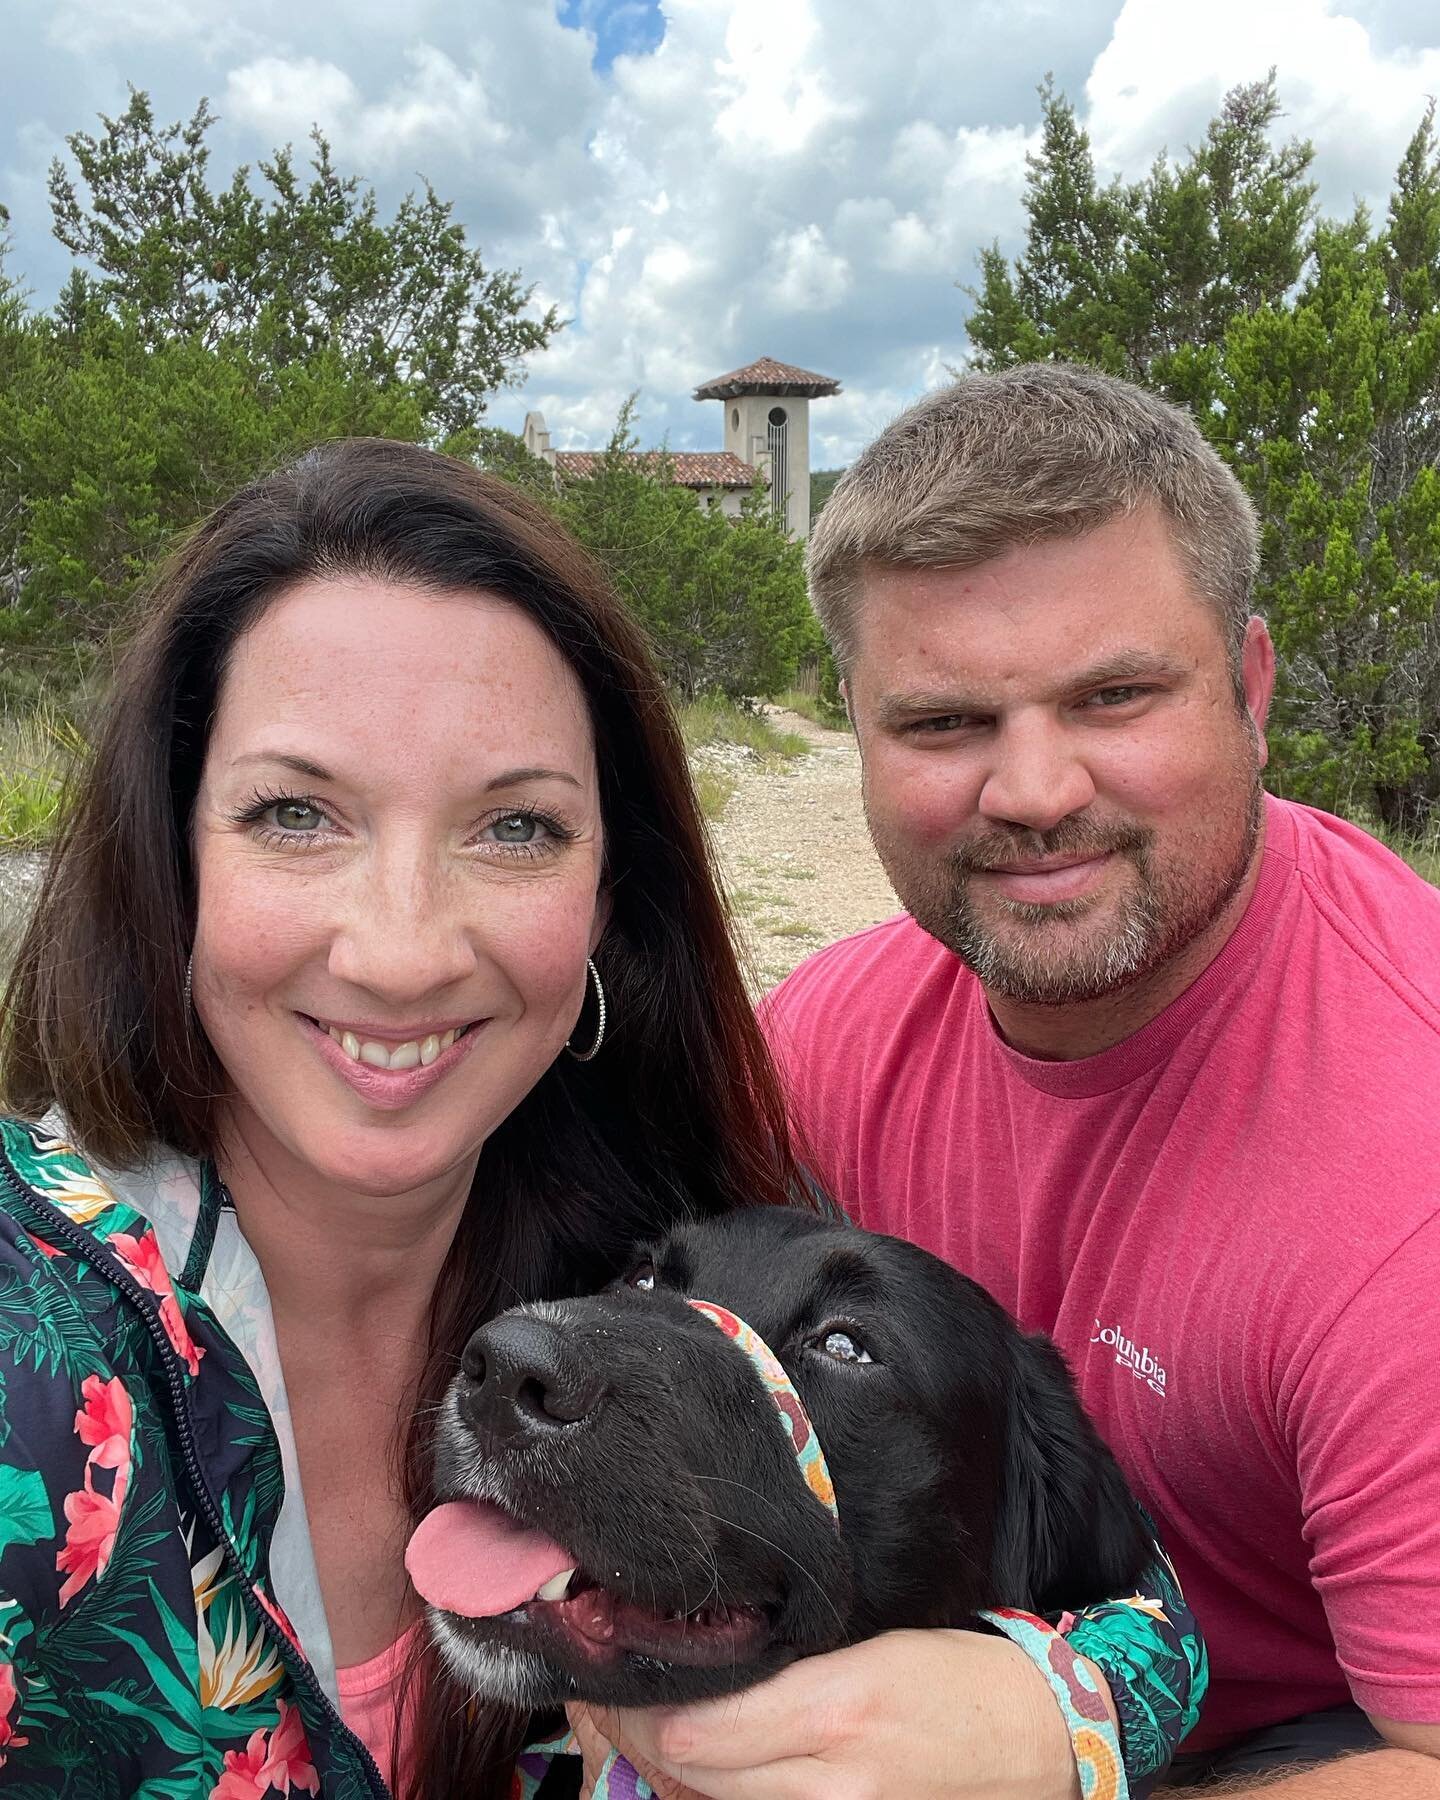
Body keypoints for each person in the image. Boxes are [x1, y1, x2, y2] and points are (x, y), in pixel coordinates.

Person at [0, 437, 1197, 1800]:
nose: (401, 949)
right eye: (295, 813)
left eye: (514, 829)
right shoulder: (33, 1361)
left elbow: (1139, 1596)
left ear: (606, 912)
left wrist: (1060, 1724)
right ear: (173, 865)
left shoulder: (633, 1235)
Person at [650, 363, 1437, 1797]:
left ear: (1251, 687)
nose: (1033, 790)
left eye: (1115, 695)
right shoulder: (834, 1039)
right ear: (858, 728)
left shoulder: (1409, 1170)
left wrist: (1060, 1759)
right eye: (945, 723)